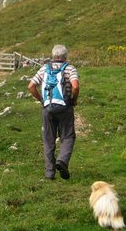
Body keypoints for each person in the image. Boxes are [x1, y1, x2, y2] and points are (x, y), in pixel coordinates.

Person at [28, 44, 79, 180]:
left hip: (48, 108)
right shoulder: (70, 68)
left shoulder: (44, 68)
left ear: (53, 56)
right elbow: (75, 86)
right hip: (65, 108)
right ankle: (62, 161)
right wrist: (74, 100)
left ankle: (49, 173)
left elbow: (31, 86)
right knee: (68, 137)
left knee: (48, 140)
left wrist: (41, 100)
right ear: (65, 56)